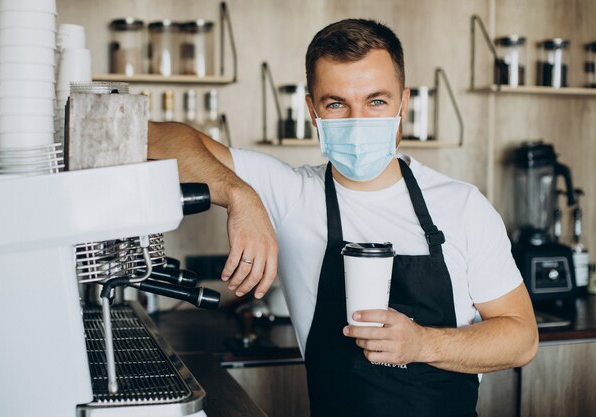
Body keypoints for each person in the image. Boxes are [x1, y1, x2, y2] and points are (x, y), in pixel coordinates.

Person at [148, 18, 538, 417]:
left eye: (376, 101)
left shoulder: (462, 205)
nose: (358, 121)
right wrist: (239, 195)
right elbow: (153, 136)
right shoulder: (291, 193)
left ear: (403, 104)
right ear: (312, 111)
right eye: (336, 104)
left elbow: (521, 338)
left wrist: (424, 344)